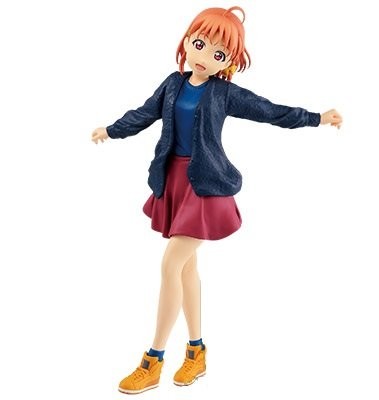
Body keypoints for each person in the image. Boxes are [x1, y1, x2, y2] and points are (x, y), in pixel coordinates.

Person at [91, 6, 343, 395]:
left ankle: (153, 359)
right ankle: (196, 352)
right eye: (199, 44)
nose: (205, 56)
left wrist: (317, 118)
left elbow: (270, 111)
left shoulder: (224, 93)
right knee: (186, 270)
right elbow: (144, 114)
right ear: (188, 41)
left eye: (218, 53)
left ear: (230, 62)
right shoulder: (172, 84)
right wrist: (111, 130)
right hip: (174, 181)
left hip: (206, 186)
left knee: (171, 264)